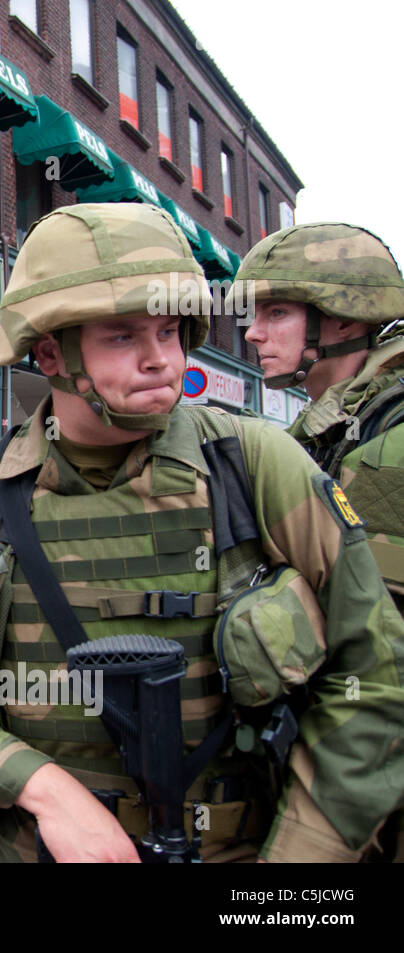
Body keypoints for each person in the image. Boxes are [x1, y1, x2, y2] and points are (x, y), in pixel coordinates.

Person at [0, 203, 404, 862]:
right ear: (49, 352)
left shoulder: (256, 466)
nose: (162, 360)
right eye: (123, 336)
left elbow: (375, 673)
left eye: (171, 331)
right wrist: (38, 785)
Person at [235, 221, 404, 860]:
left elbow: (378, 660)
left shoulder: (385, 447)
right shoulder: (342, 425)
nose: (252, 332)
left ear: (338, 321)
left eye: (276, 313)